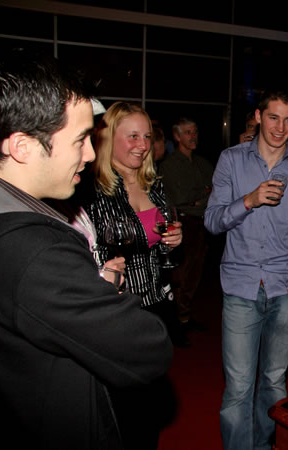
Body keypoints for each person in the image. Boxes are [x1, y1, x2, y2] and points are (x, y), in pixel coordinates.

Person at [0, 51, 173, 450]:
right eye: (80, 140)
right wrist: (104, 287)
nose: (91, 153)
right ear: (22, 146)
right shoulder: (37, 251)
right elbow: (148, 348)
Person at [205, 87, 288, 450]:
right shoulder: (231, 160)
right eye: (273, 117)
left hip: (285, 289)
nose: (279, 127)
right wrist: (249, 200)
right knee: (239, 387)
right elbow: (212, 221)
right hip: (240, 287)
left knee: (274, 382)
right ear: (258, 116)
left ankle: (264, 446)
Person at [86, 101, 185, 449]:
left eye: (146, 136)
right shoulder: (92, 191)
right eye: (132, 136)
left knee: (151, 405)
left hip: (157, 305)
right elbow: (84, 252)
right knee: (121, 408)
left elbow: (160, 248)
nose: (142, 145)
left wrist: (173, 242)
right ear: (109, 138)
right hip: (118, 311)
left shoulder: (153, 184)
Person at [158, 117, 214, 328]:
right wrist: (202, 194)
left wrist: (200, 198)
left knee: (195, 273)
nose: (193, 136)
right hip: (183, 223)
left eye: (195, 132)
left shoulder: (203, 163)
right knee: (180, 273)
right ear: (177, 136)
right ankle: (177, 319)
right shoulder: (169, 165)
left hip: (203, 223)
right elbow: (181, 197)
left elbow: (215, 191)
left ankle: (184, 316)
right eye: (188, 132)